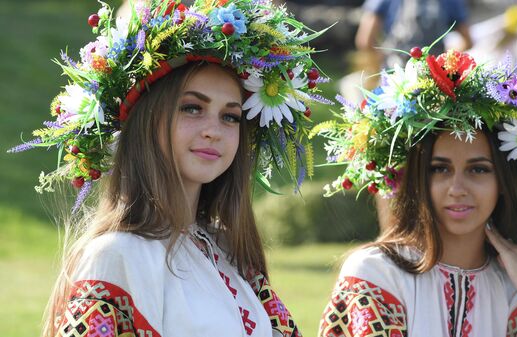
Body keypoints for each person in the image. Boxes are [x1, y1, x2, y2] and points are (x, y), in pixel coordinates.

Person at [8, 1, 329, 336]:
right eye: (192, 108)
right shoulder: (116, 257)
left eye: (230, 116)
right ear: (147, 122)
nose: (213, 130)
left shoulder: (227, 250)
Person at [314, 43, 517, 335]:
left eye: (478, 169)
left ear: (503, 182)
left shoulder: (516, 289)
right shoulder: (376, 275)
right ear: (417, 179)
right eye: (440, 169)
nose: (457, 188)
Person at [355, 0, 473, 68]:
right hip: (435, 78)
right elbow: (467, 41)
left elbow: (365, 41)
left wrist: (383, 57)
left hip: (396, 72)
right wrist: (447, 58)